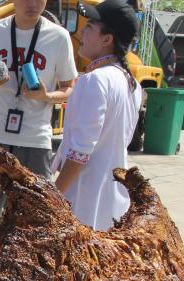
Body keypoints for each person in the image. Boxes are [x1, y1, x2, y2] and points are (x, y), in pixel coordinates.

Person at [0, 0, 77, 244]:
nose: (33, 4)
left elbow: (69, 87)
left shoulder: (58, 37)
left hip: (35, 139)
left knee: (37, 224)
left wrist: (46, 96)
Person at [53, 0, 141, 231]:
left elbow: (80, 152)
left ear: (106, 39)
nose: (82, 32)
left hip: (83, 198)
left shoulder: (95, 80)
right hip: (112, 196)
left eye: (90, 27)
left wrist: (53, 197)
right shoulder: (131, 83)